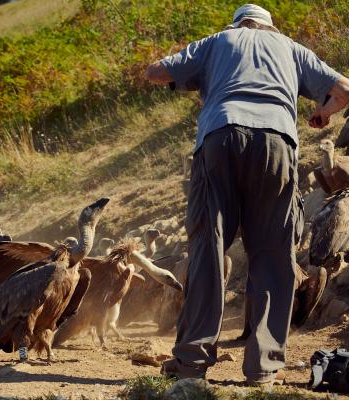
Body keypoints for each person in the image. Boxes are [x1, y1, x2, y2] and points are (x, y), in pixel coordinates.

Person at [146, 3, 349, 385]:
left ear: (238, 25)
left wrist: (198, 81)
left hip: (220, 139)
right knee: (273, 253)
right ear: (268, 28)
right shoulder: (291, 48)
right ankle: (263, 369)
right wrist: (323, 114)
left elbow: (156, 72)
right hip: (277, 145)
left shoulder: (217, 41)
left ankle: (191, 363)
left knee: (209, 247)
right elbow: (344, 90)